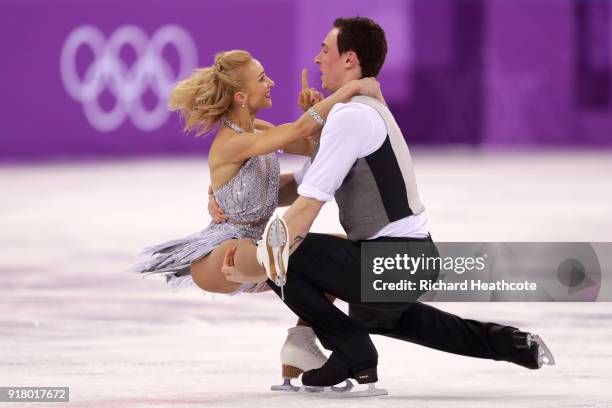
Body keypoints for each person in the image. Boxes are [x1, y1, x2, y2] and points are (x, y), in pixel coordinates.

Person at [221, 18, 555, 395]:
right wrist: (234, 198)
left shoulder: (352, 116)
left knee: (289, 256)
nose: (316, 59)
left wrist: (259, 262)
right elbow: (296, 189)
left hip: (394, 259)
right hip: (407, 260)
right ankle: (513, 344)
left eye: (325, 51)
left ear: (350, 60)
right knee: (395, 319)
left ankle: (352, 351)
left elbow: (306, 208)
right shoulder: (353, 113)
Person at [129, 49, 383, 385]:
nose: (271, 83)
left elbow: (314, 146)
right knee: (280, 249)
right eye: (262, 78)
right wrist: (343, 94)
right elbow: (295, 132)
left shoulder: (259, 129)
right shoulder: (231, 143)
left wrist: (313, 113)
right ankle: (274, 256)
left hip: (264, 242)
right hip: (223, 253)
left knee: (338, 253)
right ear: (241, 97)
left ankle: (300, 342)